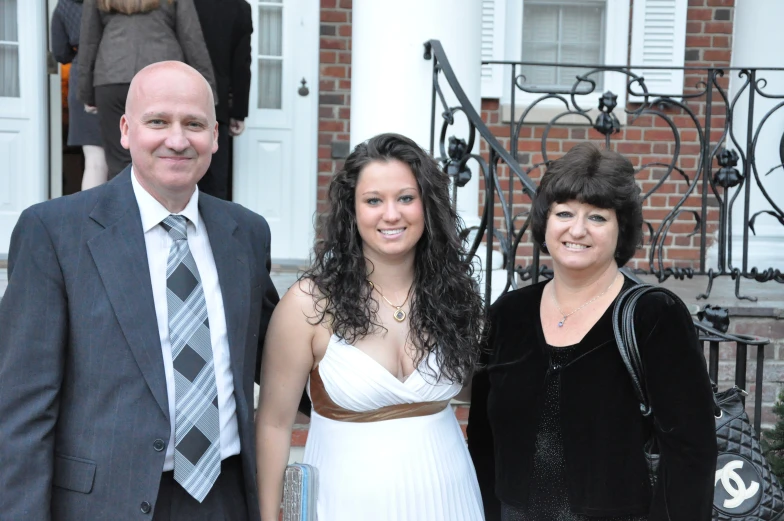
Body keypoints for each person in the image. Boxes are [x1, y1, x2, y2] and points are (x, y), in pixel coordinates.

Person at [0, 61, 277, 521]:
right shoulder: (54, 232)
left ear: (214, 136)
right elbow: (21, 412)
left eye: (194, 124)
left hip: (224, 498)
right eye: (158, 122)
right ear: (126, 130)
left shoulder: (245, 234)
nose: (177, 139)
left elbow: (277, 353)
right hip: (104, 502)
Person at [467, 143, 718, 521]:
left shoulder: (653, 316)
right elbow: (484, 438)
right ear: (545, 222)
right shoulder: (509, 315)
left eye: (597, 217)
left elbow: (690, 450)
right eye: (564, 213)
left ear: (622, 228)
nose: (577, 229)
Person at [256, 133, 487, 521]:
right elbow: (275, 424)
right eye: (374, 200)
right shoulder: (309, 303)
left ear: (427, 205)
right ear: (352, 210)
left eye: (406, 198)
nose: (391, 214)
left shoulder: (453, 295)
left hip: (451, 498)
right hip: (344, 502)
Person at [78, 0, 217, 179]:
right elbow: (191, 37)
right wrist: (208, 92)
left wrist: (86, 93)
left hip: (112, 75)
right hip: (163, 80)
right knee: (166, 156)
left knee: (118, 163)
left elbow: (89, 40)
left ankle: (124, 207)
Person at [193, 0, 253, 200]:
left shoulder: (181, 4)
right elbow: (241, 63)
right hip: (216, 105)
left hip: (180, 98)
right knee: (216, 182)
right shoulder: (239, 7)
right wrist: (238, 111)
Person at [51, 0, 109, 190]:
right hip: (115, 69)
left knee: (94, 162)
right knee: (126, 157)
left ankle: (91, 219)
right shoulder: (110, 3)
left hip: (81, 76)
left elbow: (60, 52)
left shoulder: (64, 5)